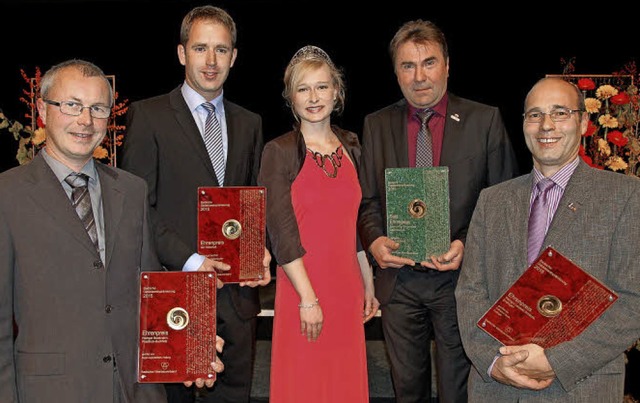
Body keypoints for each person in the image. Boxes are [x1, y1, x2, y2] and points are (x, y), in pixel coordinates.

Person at [0, 59, 224, 403]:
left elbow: (151, 296)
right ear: (43, 111)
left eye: (98, 108)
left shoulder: (132, 191)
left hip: (133, 390)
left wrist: (190, 346)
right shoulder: (8, 194)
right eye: (72, 105)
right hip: (50, 391)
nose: (85, 120)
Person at [357, 19, 519, 403]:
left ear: (447, 64)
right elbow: (367, 202)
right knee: (406, 390)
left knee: (458, 391)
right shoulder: (376, 125)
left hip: (462, 282)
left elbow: (504, 204)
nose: (419, 77)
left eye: (428, 62)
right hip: (400, 281)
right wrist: (375, 239)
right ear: (395, 71)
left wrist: (466, 244)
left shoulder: (485, 121)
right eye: (407, 66)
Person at [455, 77, 640, 401]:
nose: (546, 125)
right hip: (497, 387)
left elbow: (633, 301)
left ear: (583, 122)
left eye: (560, 113)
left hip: (581, 387)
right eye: (535, 114)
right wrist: (493, 361)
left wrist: (557, 361)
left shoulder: (625, 196)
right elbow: (470, 291)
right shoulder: (492, 200)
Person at [120, 5, 270, 403]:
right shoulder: (148, 117)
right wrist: (190, 260)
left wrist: (259, 251)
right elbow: (136, 208)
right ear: (182, 53)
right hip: (174, 292)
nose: (210, 60)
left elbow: (251, 201)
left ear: (234, 57)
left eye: (221, 50)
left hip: (236, 297)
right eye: (201, 48)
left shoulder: (250, 122)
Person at [258, 45, 379, 403]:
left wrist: (368, 285)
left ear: (337, 92)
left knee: (344, 385)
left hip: (347, 289)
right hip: (302, 290)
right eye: (303, 88)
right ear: (290, 99)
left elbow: (355, 225)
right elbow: (280, 233)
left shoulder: (352, 146)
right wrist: (308, 298)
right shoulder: (277, 152)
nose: (314, 97)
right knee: (304, 386)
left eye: (322, 87)